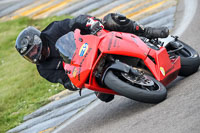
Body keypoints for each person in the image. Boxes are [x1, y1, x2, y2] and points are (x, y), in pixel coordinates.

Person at [15, 13, 169, 103]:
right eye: (29, 54)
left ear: (38, 40)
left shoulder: (53, 30)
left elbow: (74, 22)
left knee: (111, 20)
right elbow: (63, 80)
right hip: (88, 67)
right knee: (105, 96)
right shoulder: (43, 69)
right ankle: (133, 84)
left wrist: (90, 23)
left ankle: (146, 32)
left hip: (94, 41)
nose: (34, 54)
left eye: (33, 49)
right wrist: (72, 84)